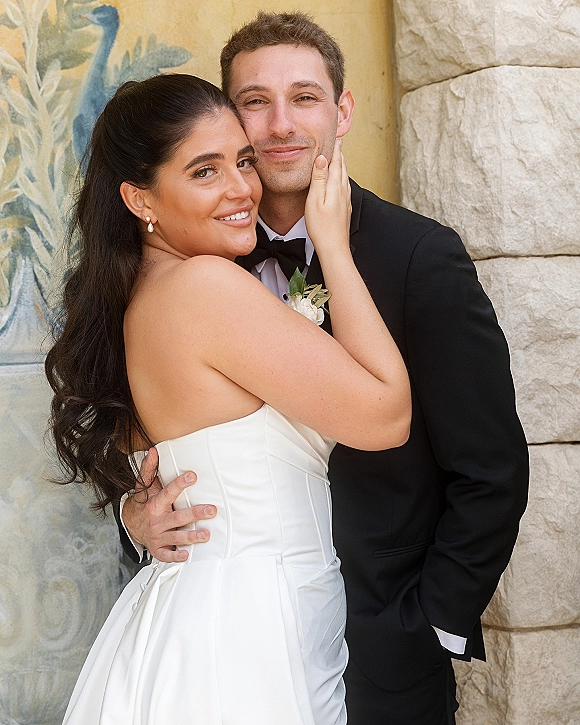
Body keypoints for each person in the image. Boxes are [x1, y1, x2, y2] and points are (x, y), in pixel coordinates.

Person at [116, 12, 530, 725]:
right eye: (255, 102)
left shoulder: (417, 256)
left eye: (304, 97)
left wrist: (431, 621)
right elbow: (144, 435)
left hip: (386, 648)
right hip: (245, 644)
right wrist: (135, 513)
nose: (279, 125)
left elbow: (491, 468)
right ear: (229, 117)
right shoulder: (198, 260)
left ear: (341, 113)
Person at [45, 73, 411, 724]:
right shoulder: (204, 288)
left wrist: (135, 516)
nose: (242, 187)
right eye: (205, 171)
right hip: (248, 632)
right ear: (140, 198)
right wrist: (332, 242)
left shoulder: (140, 299)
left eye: (243, 161)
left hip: (203, 611)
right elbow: (385, 414)